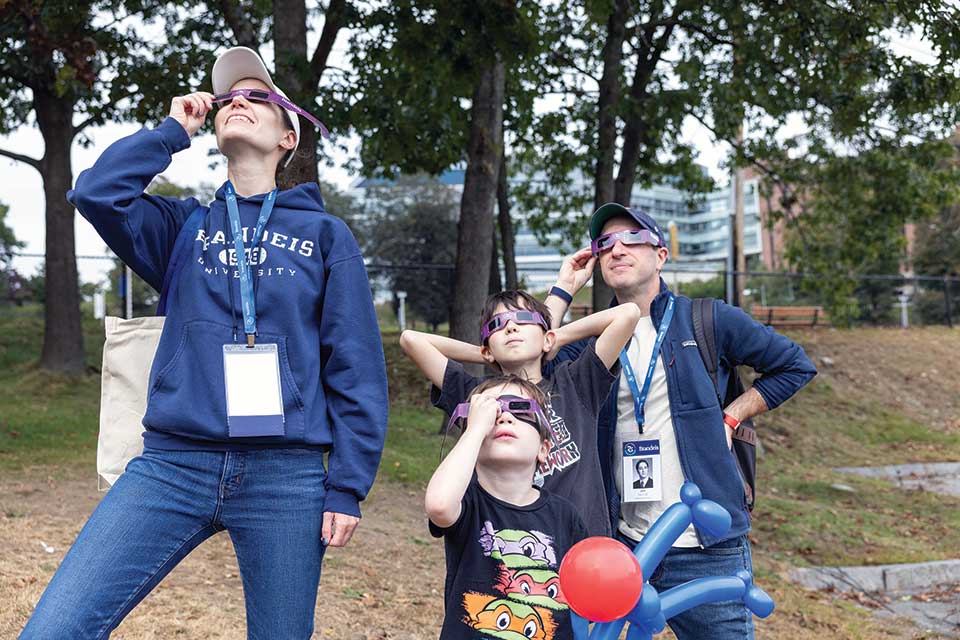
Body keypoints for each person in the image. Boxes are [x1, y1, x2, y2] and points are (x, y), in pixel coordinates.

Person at [20, 47, 389, 640]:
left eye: (258, 97)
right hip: (173, 463)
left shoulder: (325, 234)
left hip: (286, 476)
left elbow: (355, 365)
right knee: (55, 629)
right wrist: (171, 132)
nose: (238, 101)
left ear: (288, 137)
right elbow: (95, 194)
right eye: (228, 98)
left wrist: (346, 484)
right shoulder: (181, 228)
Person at [545, 203, 817, 640]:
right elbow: (532, 368)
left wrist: (733, 415)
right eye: (605, 244)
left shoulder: (707, 319)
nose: (617, 249)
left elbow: (795, 366)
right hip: (622, 546)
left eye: (632, 238)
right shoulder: (594, 339)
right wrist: (562, 289)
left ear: (661, 255)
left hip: (706, 547)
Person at [400, 289, 640, 537]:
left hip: (583, 550)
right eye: (497, 325)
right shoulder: (479, 396)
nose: (511, 328)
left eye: (524, 319)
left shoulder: (575, 383)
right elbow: (411, 340)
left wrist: (554, 338)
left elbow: (628, 314)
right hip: (512, 550)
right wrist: (485, 353)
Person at [426, 376, 588, 640]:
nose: (504, 417)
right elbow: (439, 506)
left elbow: (588, 591)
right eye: (491, 413)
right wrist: (475, 430)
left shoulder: (565, 516)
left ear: (544, 449)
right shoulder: (468, 503)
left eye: (521, 409)